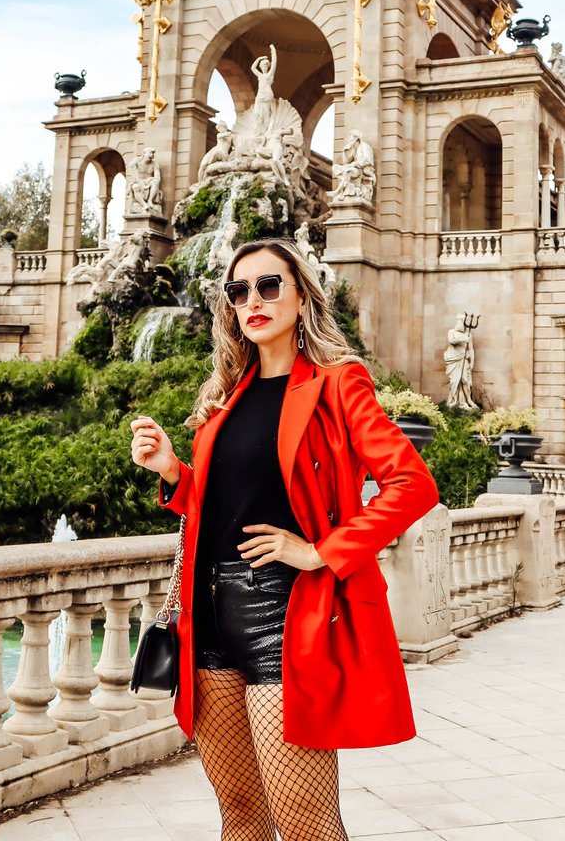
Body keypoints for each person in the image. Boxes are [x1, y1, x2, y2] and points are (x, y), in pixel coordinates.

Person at [131, 237, 439, 840]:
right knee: (240, 814)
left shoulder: (337, 382)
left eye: (269, 286)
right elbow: (224, 508)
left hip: (286, 612)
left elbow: (412, 483)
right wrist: (174, 473)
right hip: (209, 614)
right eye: (239, 291)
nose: (254, 301)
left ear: (301, 297)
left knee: (305, 823)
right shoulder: (226, 396)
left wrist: (321, 550)